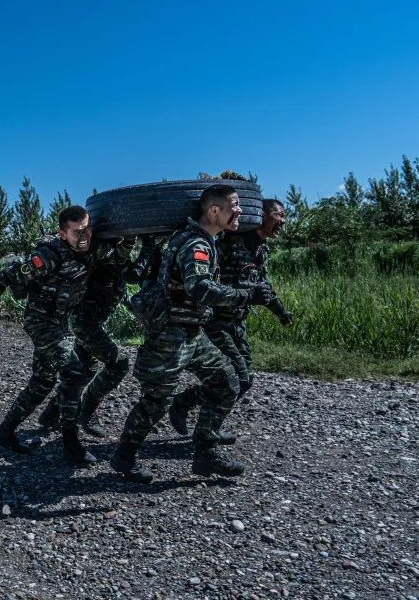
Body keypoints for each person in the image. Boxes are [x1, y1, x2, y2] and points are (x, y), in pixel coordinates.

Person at [110, 185, 272, 483]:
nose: (241, 211)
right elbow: (199, 287)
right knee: (155, 401)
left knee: (226, 381)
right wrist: (245, 294)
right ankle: (124, 456)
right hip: (170, 334)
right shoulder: (196, 244)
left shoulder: (206, 240)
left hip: (191, 332)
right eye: (234, 205)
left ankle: (205, 453)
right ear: (214, 210)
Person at [0, 205, 121, 466]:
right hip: (40, 320)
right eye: (77, 232)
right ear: (62, 234)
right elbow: (3, 277)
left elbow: (119, 251)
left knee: (42, 382)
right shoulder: (48, 257)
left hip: (62, 322)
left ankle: (5, 432)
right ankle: (71, 444)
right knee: (73, 373)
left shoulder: (89, 250)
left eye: (87, 230)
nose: (84, 237)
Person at [168, 199, 292, 440]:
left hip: (237, 322)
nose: (283, 221)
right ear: (260, 215)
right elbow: (208, 283)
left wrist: (280, 312)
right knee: (234, 378)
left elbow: (263, 287)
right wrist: (243, 294)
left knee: (245, 381)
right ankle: (205, 432)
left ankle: (187, 405)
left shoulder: (261, 249)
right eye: (278, 215)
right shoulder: (228, 243)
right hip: (214, 322)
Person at [35, 238, 137, 438]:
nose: (128, 250)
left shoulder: (117, 267)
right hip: (84, 323)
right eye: (125, 246)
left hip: (90, 323)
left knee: (84, 370)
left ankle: (51, 414)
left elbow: (120, 291)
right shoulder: (100, 261)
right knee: (119, 363)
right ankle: (87, 411)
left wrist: (137, 310)